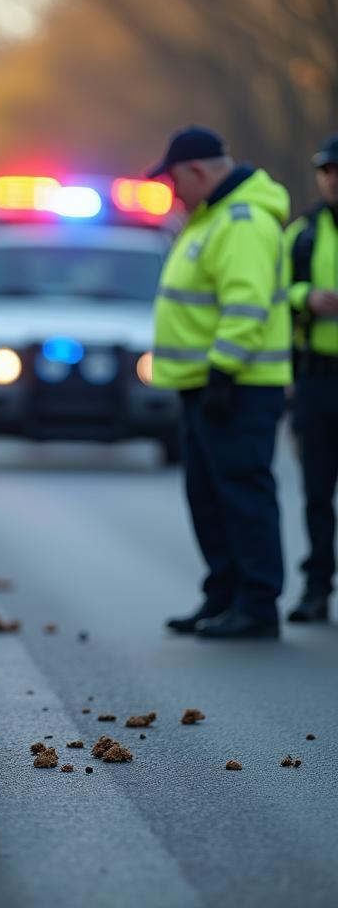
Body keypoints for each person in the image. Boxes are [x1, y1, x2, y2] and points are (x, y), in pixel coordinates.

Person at [147, 126, 291, 639]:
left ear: (199, 171)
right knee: (208, 494)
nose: (172, 191)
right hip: (207, 382)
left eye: (173, 180)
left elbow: (246, 305)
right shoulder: (211, 218)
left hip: (238, 383)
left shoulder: (243, 221)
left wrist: (224, 373)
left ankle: (257, 605)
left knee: (242, 493)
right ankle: (224, 594)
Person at [284, 134, 338, 623]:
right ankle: (317, 587)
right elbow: (276, 294)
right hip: (317, 379)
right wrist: (306, 298)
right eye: (328, 170)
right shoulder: (301, 232)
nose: (334, 179)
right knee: (316, 492)